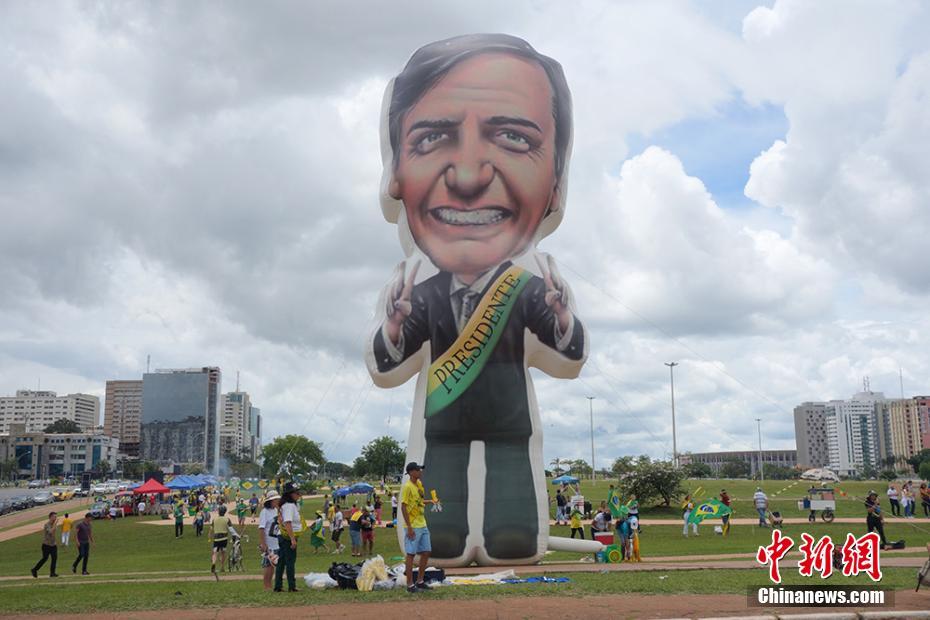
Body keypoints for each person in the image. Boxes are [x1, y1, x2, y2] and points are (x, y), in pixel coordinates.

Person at [366, 34, 586, 565]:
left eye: (512, 137)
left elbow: (567, 353)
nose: (469, 176)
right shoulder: (421, 293)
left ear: (556, 184)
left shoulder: (531, 285)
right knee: (442, 500)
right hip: (443, 420)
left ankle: (513, 531)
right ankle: (442, 537)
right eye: (431, 138)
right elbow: (389, 358)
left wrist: (560, 319)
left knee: (512, 502)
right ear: (395, 175)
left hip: (510, 417)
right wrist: (394, 328)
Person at [402, 462, 436, 594]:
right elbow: (403, 507)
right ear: (411, 472)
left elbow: (420, 502)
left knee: (427, 551)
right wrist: (409, 527)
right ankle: (409, 584)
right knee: (410, 554)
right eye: (418, 470)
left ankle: (420, 581)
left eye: (420, 469)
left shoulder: (419, 484)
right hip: (413, 526)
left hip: (422, 523)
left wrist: (431, 501)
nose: (420, 472)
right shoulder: (407, 487)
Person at [275, 482, 303, 592]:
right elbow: (288, 523)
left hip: (284, 536)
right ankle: (292, 586)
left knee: (281, 562)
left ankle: (278, 585)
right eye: (297, 493)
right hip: (287, 537)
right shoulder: (289, 506)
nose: (299, 495)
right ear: (290, 494)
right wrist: (292, 539)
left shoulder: (287, 505)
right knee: (290, 561)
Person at [258, 490, 281, 591]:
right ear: (271, 501)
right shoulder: (265, 512)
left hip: (276, 542)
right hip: (268, 542)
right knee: (268, 565)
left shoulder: (276, 511)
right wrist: (263, 543)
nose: (277, 501)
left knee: (273, 565)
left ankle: (270, 585)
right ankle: (266, 585)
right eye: (276, 500)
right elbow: (261, 528)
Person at [31, 512, 59, 578]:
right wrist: (55, 525)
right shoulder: (47, 524)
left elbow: (53, 534)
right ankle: (34, 569)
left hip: (53, 545)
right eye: (54, 516)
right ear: (50, 517)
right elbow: (50, 532)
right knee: (44, 558)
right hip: (46, 545)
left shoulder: (54, 524)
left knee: (54, 558)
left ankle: (52, 573)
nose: (55, 518)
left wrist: (55, 542)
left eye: (56, 517)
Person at [210, 505, 234, 575]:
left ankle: (214, 563)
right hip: (224, 538)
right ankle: (222, 567)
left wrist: (210, 535)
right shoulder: (227, 519)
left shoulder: (214, 519)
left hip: (216, 538)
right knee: (223, 552)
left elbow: (211, 529)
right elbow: (231, 529)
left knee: (215, 552)